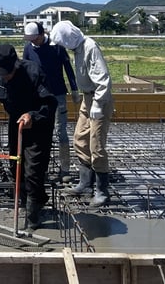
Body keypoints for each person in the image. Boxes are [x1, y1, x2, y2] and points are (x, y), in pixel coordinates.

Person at [0, 44, 56, 229]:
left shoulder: (33, 72)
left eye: (8, 72)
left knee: (34, 169)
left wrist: (33, 116)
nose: (5, 76)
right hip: (17, 121)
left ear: (16, 64)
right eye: (2, 72)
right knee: (16, 164)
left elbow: (49, 104)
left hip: (38, 122)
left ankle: (33, 215)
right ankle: (28, 201)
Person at [50, 20, 113, 207]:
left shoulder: (90, 47)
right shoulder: (77, 49)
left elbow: (104, 80)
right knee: (80, 138)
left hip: (99, 99)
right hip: (88, 99)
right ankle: (85, 183)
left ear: (69, 39)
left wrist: (98, 104)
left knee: (96, 145)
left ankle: (102, 191)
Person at [23, 21, 78, 181]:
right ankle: (41, 169)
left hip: (57, 95)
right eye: (30, 40)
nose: (33, 42)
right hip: (37, 97)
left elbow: (68, 68)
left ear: (42, 35)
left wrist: (74, 89)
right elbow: (24, 69)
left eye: (35, 39)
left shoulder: (57, 47)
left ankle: (65, 169)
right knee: (40, 133)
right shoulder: (28, 48)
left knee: (60, 131)